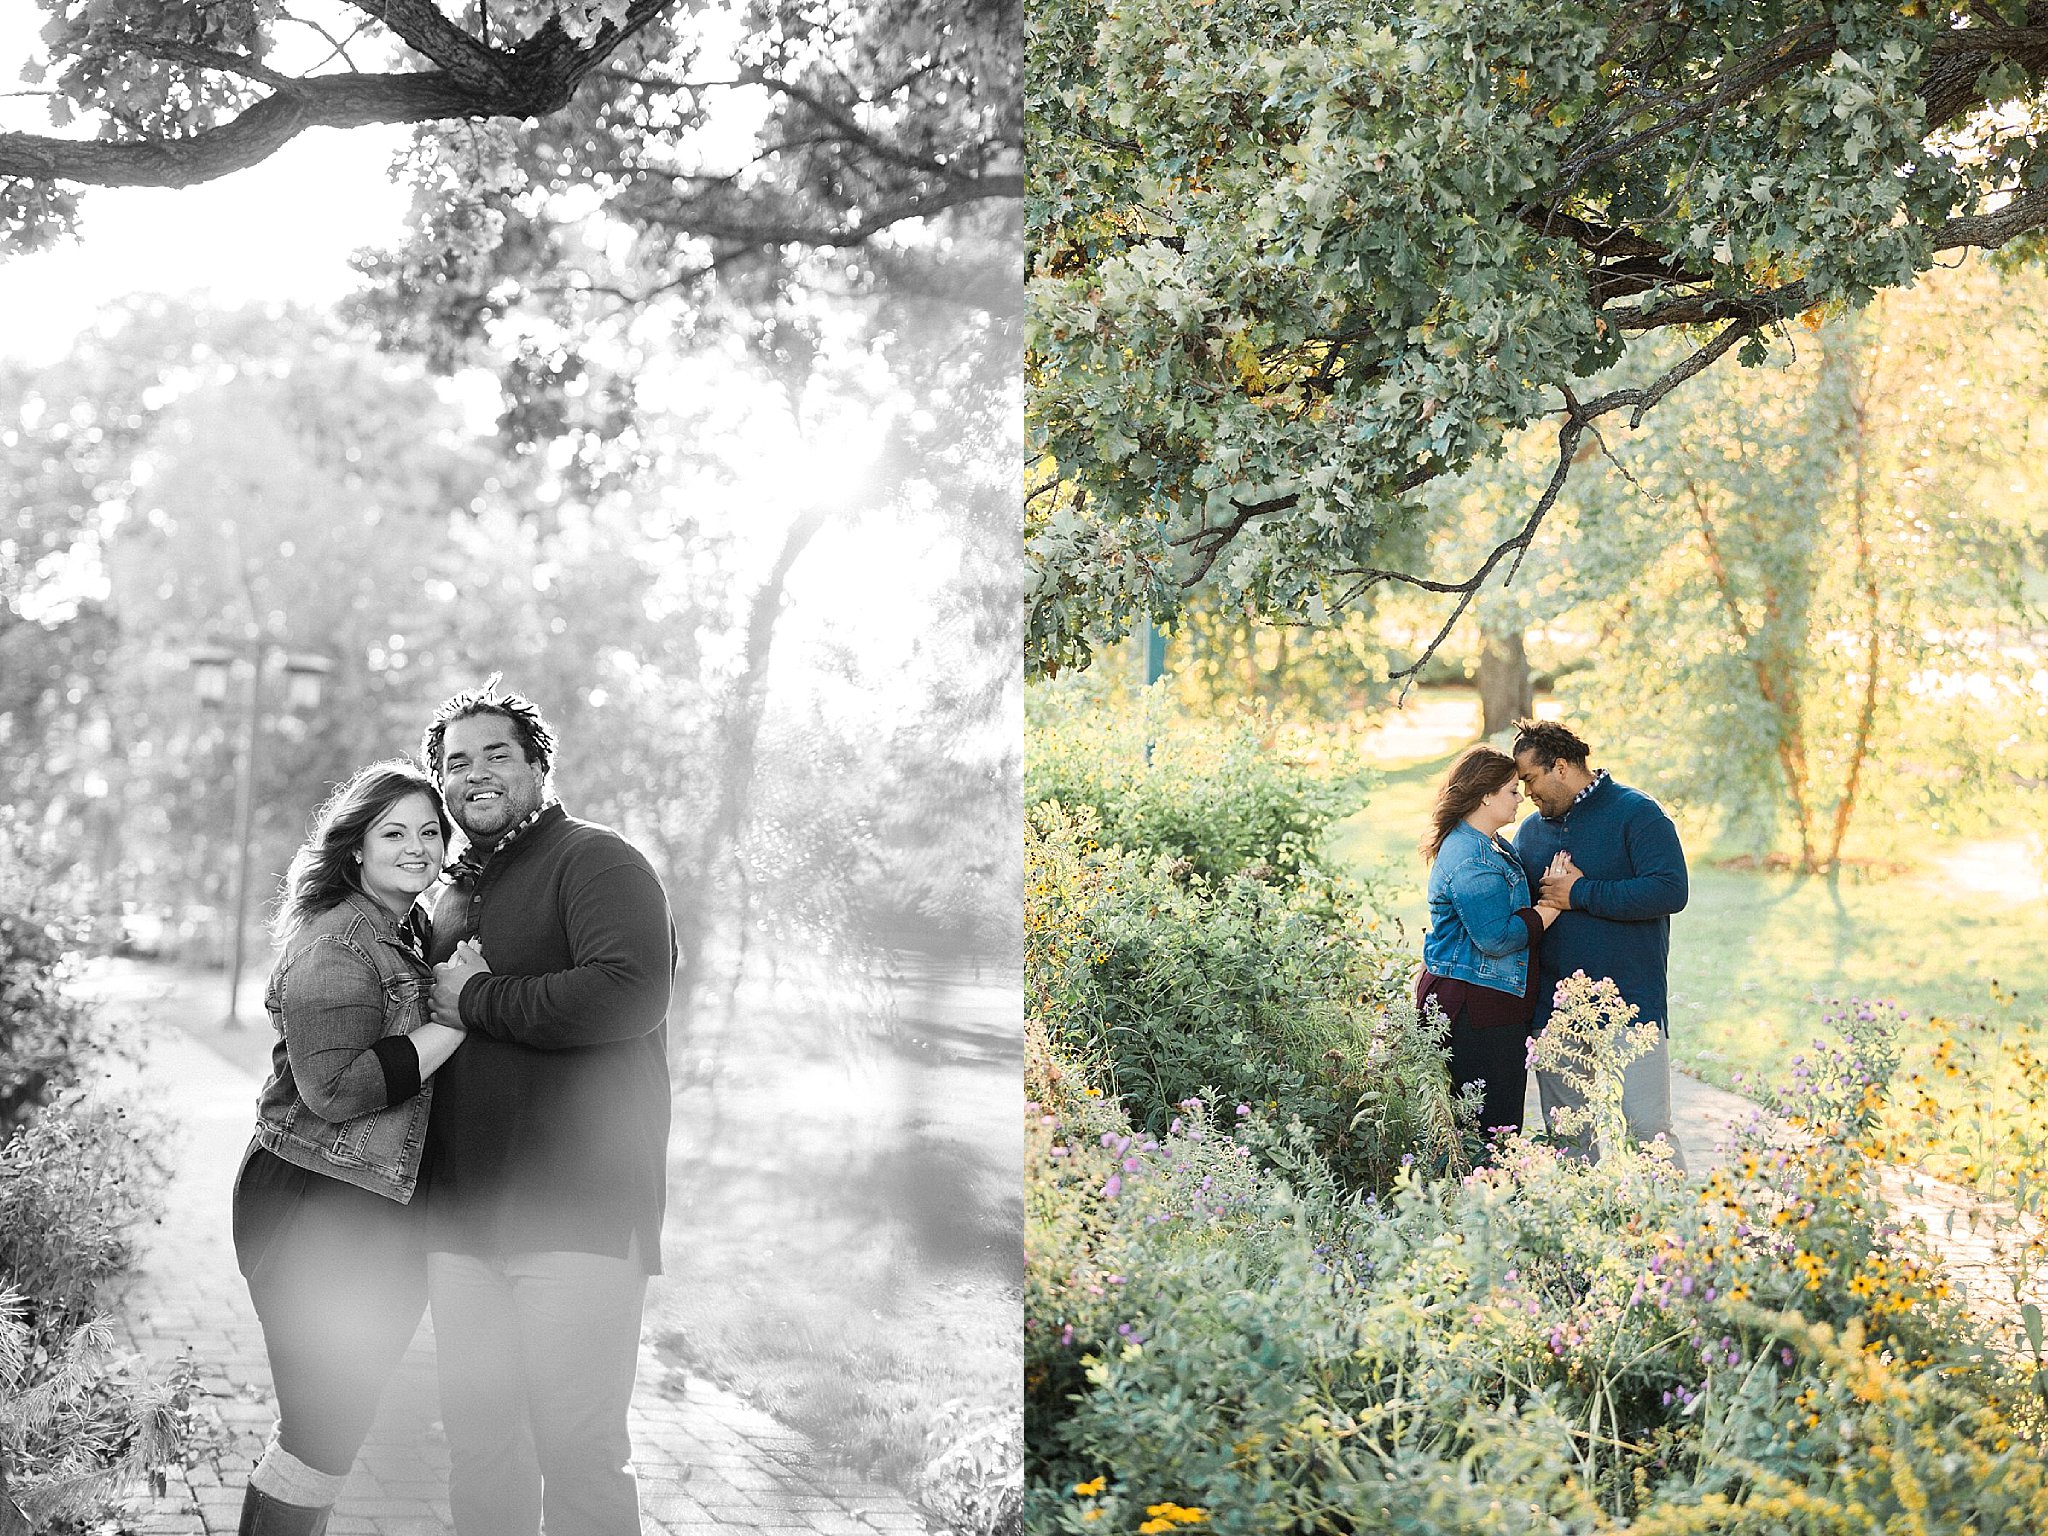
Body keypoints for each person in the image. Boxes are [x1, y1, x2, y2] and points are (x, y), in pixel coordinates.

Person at [415, 677, 676, 1536]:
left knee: (579, 1455)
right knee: (481, 1452)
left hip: (579, 1219)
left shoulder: (596, 861)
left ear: (538, 768)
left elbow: (630, 994)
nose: (475, 774)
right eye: (457, 763)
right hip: (464, 1225)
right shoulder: (455, 894)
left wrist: (480, 997)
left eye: (497, 755)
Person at [232, 761, 468, 1536]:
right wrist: (456, 1018)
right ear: (356, 849)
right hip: (313, 1205)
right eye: (393, 832)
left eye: (429, 831)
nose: (417, 847)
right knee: (320, 1432)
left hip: (363, 1208)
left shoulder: (399, 928)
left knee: (333, 1428)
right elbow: (334, 1090)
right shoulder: (337, 939)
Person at [1510, 719, 1690, 1169]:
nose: (1528, 793)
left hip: (1631, 1006)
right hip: (1555, 1012)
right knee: (1570, 1139)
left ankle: (1675, 1236)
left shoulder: (1637, 813)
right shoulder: (1531, 834)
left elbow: (1670, 890)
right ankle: (1581, 1235)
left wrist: (1581, 893)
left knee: (1648, 1131)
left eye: (1531, 779)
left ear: (1563, 767)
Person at [1416, 745, 1560, 1147]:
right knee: (1489, 1130)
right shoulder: (1471, 856)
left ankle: (1486, 1203)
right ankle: (1482, 1205)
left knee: (1492, 1122)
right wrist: (1551, 907)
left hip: (1490, 1002)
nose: (1521, 799)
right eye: (1512, 791)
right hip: (1476, 1007)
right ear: (1485, 795)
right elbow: (1495, 937)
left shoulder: (1490, 843)